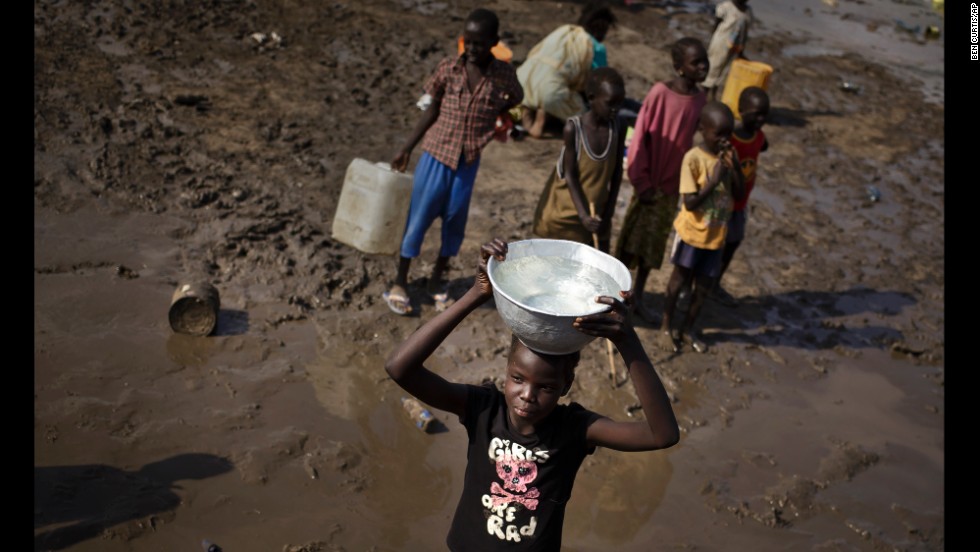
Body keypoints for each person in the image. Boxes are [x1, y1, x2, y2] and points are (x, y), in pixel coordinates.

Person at [385, 237, 679, 551]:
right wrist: (476, 293)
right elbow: (400, 368)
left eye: (547, 387)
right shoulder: (483, 410)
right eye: (517, 379)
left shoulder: (575, 430)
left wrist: (627, 341)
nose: (528, 394)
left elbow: (662, 435)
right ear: (506, 370)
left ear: (565, 386)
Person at [383, 8, 524, 316]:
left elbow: (516, 100)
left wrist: (500, 118)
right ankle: (400, 281)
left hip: (467, 161)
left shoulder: (504, 76)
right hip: (435, 155)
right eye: (468, 42)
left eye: (479, 43)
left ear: (493, 42)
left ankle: (435, 282)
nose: (472, 49)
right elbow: (431, 109)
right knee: (418, 220)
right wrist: (407, 147)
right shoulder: (448, 68)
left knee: (454, 222)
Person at [615, 37, 708, 324]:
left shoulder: (701, 99)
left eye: (705, 61)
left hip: (670, 187)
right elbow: (641, 135)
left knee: (652, 247)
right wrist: (639, 179)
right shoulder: (660, 93)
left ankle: (639, 297)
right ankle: (620, 296)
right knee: (630, 243)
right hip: (647, 183)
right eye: (696, 62)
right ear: (680, 67)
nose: (703, 67)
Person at [658, 101, 745, 354]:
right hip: (691, 235)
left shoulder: (730, 156)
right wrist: (713, 181)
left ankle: (688, 329)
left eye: (729, 133)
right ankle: (666, 325)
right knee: (678, 282)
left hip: (716, 236)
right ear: (702, 130)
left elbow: (738, 195)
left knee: (704, 288)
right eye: (718, 134)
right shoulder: (693, 159)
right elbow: (690, 202)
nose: (725, 140)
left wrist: (735, 168)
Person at [531, 67, 627, 253]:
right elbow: (570, 175)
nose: (616, 109)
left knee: (596, 263)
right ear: (591, 98)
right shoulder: (574, 128)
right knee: (555, 260)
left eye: (620, 104)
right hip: (566, 212)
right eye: (610, 103)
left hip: (596, 214)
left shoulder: (618, 127)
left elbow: (616, 173)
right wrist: (583, 216)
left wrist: (609, 212)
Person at [516, 2, 618, 138]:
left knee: (547, 88)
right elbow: (599, 82)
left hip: (521, 82)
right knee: (584, 114)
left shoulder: (564, 30)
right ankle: (545, 115)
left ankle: (528, 114)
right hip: (550, 91)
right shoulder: (596, 47)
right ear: (603, 28)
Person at [711, 86, 769, 307]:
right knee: (713, 246)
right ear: (742, 111)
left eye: (765, 115)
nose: (761, 119)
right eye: (757, 114)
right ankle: (704, 283)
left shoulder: (758, 136)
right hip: (723, 203)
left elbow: (763, 145)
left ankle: (715, 282)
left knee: (733, 243)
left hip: (740, 204)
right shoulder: (731, 138)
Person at [702, 0, 753, 101]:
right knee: (713, 66)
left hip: (736, 47)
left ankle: (713, 95)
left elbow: (745, 32)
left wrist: (741, 51)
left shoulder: (748, 12)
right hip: (721, 43)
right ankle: (704, 94)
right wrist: (713, 41)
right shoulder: (726, 7)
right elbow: (716, 25)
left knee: (725, 71)